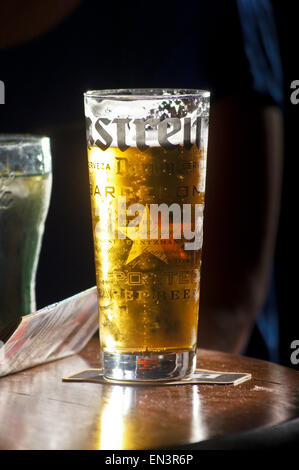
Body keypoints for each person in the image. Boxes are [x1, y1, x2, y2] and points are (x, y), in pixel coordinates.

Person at [0, 0, 283, 361]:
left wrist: (159, 388)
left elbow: (231, 302)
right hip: (40, 387)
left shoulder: (203, 14)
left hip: (211, 390)